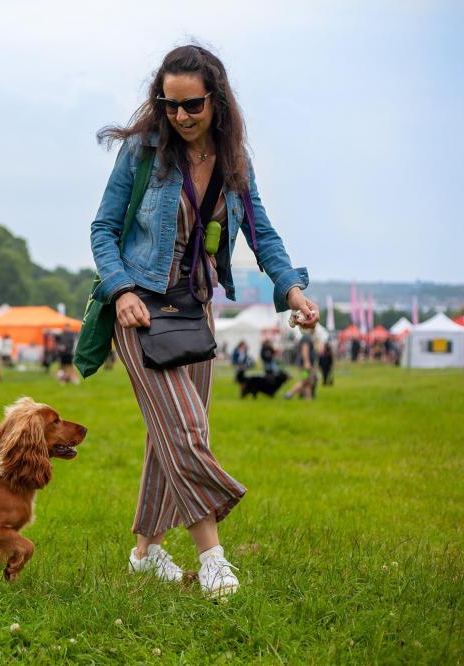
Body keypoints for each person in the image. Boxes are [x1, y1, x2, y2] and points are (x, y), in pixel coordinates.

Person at [90, 45, 319, 597]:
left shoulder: (235, 162)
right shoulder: (144, 153)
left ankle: (145, 552)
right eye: (169, 105)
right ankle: (212, 556)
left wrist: (291, 290)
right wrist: (120, 290)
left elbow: (262, 235)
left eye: (191, 105)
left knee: (169, 435)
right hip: (140, 310)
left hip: (195, 313)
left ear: (216, 100)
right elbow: (103, 229)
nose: (180, 116)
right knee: (184, 430)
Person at [283, 322, 318, 399]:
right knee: (304, 381)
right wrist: (307, 362)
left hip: (304, 365)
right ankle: (289, 394)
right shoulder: (306, 337)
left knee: (307, 383)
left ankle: (308, 399)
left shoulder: (307, 337)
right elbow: (305, 350)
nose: (315, 329)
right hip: (304, 365)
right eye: (314, 326)